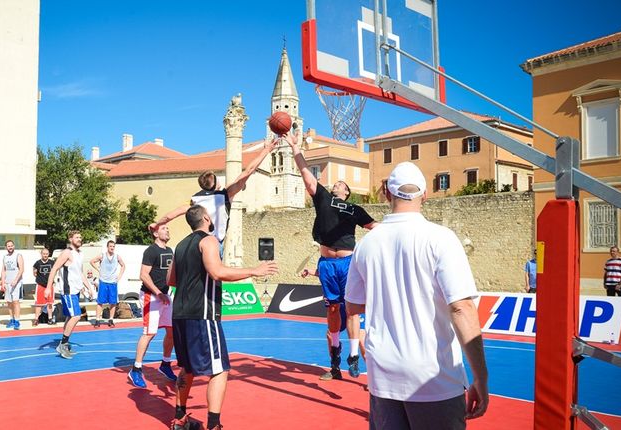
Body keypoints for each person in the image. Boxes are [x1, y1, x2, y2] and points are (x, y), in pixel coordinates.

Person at [346, 162, 489, 429]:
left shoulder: (366, 245)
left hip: (383, 378)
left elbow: (353, 306)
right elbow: (461, 308)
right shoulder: (440, 238)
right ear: (425, 195)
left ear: (387, 194)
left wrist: (364, 343)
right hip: (434, 378)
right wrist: (480, 377)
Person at [169, 205, 278, 430]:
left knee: (187, 368)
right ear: (206, 218)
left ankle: (179, 419)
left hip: (180, 313)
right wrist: (254, 271)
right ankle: (213, 424)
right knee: (219, 369)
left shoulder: (179, 245)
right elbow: (217, 272)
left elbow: (171, 279)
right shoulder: (208, 241)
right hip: (203, 314)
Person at [285, 129, 377, 380]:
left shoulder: (355, 210)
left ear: (347, 193)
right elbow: (306, 175)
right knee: (333, 311)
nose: (337, 184)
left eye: (341, 185)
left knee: (353, 310)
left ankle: (354, 356)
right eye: (335, 183)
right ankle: (335, 365)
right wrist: (295, 148)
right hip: (326, 263)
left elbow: (376, 228)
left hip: (348, 263)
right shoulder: (323, 198)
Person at [150, 138, 278, 249]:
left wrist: (157, 224)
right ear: (216, 183)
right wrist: (266, 150)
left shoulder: (195, 200)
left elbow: (171, 215)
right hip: (215, 243)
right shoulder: (224, 195)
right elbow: (249, 171)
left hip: (197, 241)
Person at [128, 223, 176, 389]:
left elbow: (171, 275)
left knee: (172, 331)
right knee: (149, 333)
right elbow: (143, 275)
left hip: (165, 295)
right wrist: (158, 293)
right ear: (155, 234)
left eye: (168, 228)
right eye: (163, 228)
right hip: (151, 296)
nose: (167, 230)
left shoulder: (170, 251)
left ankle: (165, 364)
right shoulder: (151, 251)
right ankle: (136, 369)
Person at [47, 230, 90, 359]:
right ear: (70, 239)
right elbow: (54, 268)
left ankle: (63, 343)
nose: (80, 239)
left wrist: (87, 287)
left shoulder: (80, 254)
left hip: (76, 290)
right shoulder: (66, 252)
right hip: (68, 290)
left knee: (69, 317)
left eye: (81, 237)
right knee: (76, 316)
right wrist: (48, 287)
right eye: (77, 237)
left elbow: (79, 273)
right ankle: (63, 344)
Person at [90, 240, 126, 327]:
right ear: (107, 247)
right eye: (110, 246)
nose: (112, 248)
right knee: (100, 301)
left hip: (113, 282)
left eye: (113, 246)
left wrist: (119, 276)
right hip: (103, 281)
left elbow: (123, 265)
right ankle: (97, 320)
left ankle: (111, 320)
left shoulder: (117, 257)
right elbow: (92, 261)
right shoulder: (102, 255)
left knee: (113, 302)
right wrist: (98, 270)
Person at [0, 240, 25, 330]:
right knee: (9, 302)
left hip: (16, 283)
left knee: (15, 301)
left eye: (11, 246)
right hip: (7, 283)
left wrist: (16, 280)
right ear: (6, 247)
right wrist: (3, 282)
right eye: (8, 246)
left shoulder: (18, 256)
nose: (10, 247)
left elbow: (21, 269)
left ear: (14, 246)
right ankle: (12, 319)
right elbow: (3, 270)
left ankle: (17, 321)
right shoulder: (5, 257)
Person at [32, 247, 56, 326]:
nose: (45, 255)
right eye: (44, 254)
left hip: (49, 286)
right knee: (39, 303)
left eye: (46, 254)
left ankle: (50, 318)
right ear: (41, 254)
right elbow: (34, 272)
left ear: (48, 254)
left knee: (49, 303)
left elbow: (55, 271)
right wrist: (40, 278)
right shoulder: (37, 263)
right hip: (40, 285)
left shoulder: (52, 262)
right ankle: (36, 319)